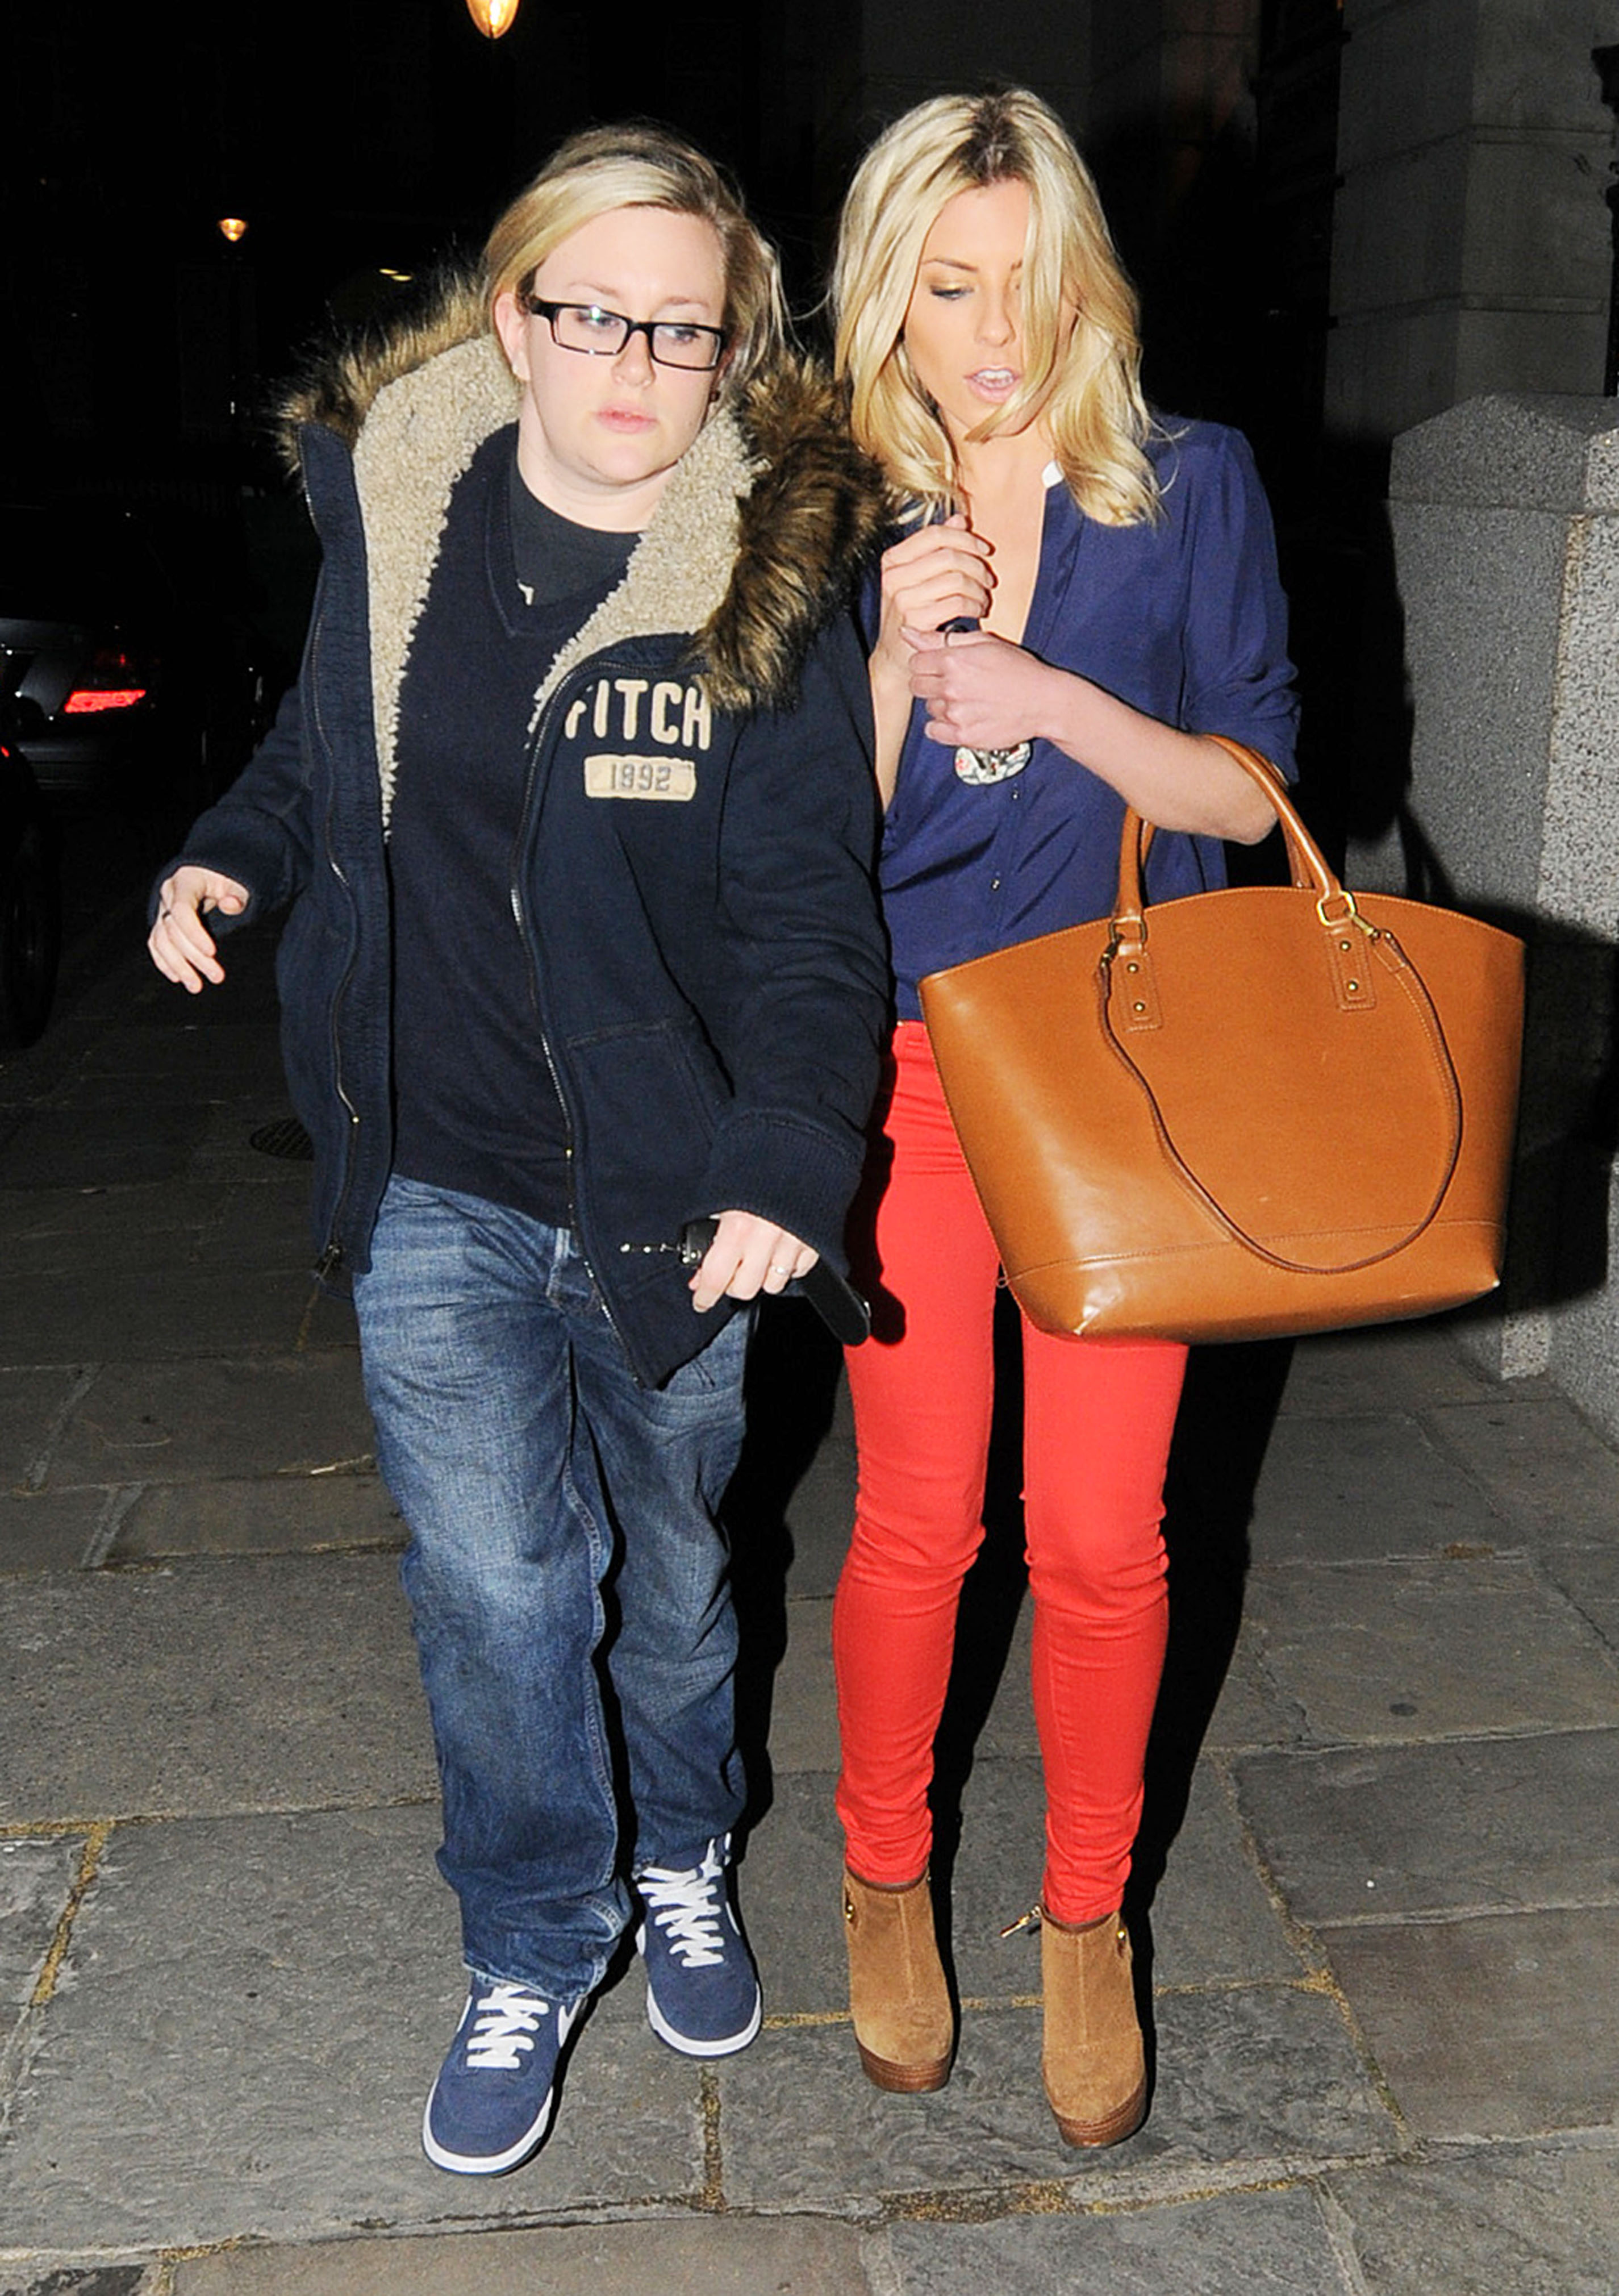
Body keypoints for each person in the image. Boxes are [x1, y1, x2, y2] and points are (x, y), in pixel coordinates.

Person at [147, 124, 888, 2177]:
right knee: (496, 1584)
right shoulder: (396, 513)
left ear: (733, 343)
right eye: (595, 314)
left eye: (684, 326)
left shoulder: (763, 579)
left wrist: (785, 1155)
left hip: (674, 1199)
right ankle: (534, 1931)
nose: (637, 362)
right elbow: (319, 751)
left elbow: (814, 916)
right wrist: (229, 853)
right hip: (437, 1172)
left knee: (675, 1584)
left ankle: (683, 1850)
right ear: (513, 316)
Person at [828, 89, 1297, 2148]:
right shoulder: (823, 506)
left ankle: (1086, 1917)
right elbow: (794, 857)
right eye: (947, 288)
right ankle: (881, 1875)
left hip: (1126, 1072)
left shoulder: (1187, 483)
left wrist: (1055, 703)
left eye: (1027, 281)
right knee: (917, 1520)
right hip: (912, 1068)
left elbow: (1251, 797)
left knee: (1101, 1538)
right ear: (887, 300)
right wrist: (885, 660)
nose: (994, 333)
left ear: (1085, 278)